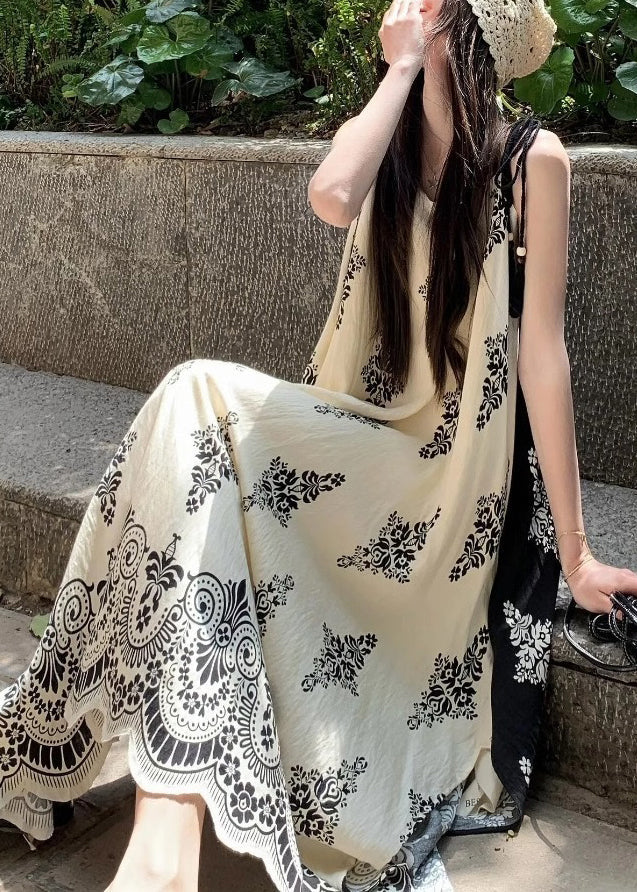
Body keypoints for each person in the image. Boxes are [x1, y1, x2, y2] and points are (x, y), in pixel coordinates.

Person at [1, 0, 636, 890]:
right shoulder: (380, 136)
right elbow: (332, 197)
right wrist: (401, 72)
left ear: (458, 24)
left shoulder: (535, 160)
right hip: (357, 435)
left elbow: (543, 358)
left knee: (199, 401)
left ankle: (161, 848)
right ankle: (164, 838)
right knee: (192, 406)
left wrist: (576, 555)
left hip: (445, 481)